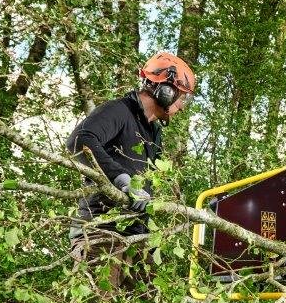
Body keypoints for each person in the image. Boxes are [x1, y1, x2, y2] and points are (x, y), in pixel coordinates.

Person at [66, 51, 196, 288]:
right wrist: (122, 180)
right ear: (166, 91)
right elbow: (80, 141)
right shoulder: (119, 110)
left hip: (138, 236)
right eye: (181, 99)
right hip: (101, 232)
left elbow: (152, 181)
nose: (181, 107)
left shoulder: (153, 132)